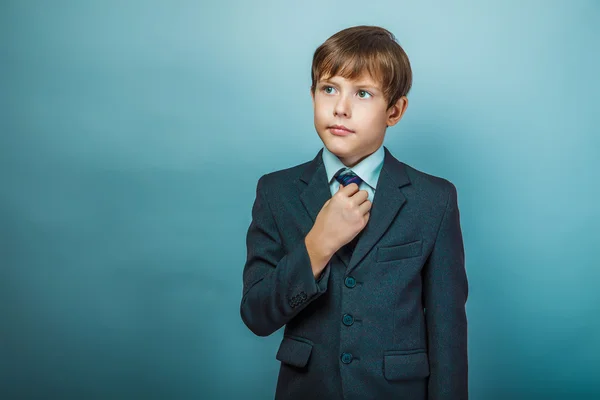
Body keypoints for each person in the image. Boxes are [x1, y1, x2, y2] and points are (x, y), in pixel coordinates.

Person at [240, 25, 468, 400]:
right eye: (329, 89)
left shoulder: (434, 200)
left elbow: (448, 334)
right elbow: (256, 314)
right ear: (312, 94)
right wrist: (317, 246)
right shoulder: (276, 191)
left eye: (363, 93)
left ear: (394, 110)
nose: (340, 108)